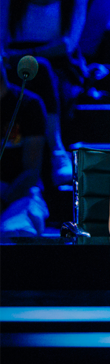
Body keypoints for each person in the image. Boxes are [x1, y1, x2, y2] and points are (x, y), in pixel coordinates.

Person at [1, 0, 90, 184]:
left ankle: (55, 152)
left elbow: (68, 43)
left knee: (40, 70)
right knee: (32, 72)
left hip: (58, 64)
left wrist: (31, 57)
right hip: (13, 61)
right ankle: (53, 154)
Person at [1, 59, 50, 238]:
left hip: (19, 193)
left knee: (15, 232)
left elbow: (31, 172)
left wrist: (3, 200)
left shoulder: (28, 104)